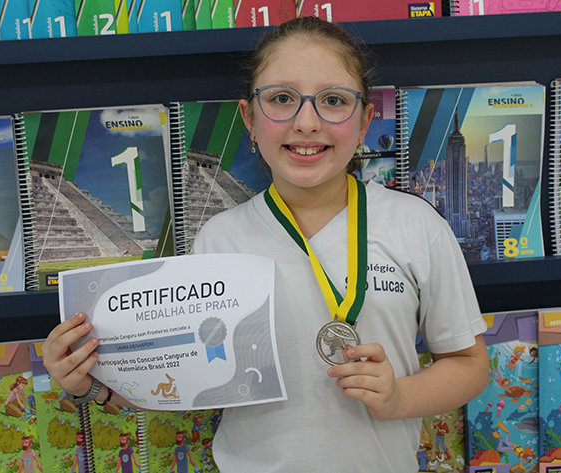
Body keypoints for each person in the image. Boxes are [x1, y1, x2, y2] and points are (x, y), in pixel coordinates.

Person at [42, 16, 489, 472]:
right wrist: (88, 383)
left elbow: (470, 366)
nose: (307, 122)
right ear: (250, 119)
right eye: (281, 99)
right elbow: (183, 381)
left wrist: (397, 397)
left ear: (364, 122)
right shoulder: (220, 238)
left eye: (333, 100)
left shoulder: (415, 225)